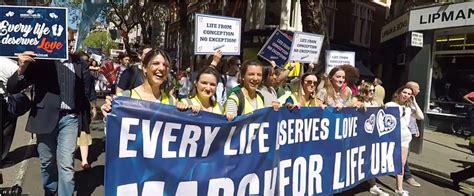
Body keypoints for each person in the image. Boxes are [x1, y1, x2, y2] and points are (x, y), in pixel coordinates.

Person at [7, 28, 91, 196]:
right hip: (44, 119)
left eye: (70, 41)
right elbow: (13, 87)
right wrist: (21, 68)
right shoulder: (41, 62)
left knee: (66, 166)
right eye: (64, 40)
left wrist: (87, 118)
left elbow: (85, 94)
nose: (68, 44)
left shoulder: (79, 63)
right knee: (47, 163)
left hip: (70, 119)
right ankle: (50, 192)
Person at [101, 48, 176, 116]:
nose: (162, 68)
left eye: (165, 65)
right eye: (156, 63)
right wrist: (109, 115)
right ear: (144, 68)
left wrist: (185, 109)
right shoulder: (124, 98)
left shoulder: (171, 102)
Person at [385, 85, 424, 196]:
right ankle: (372, 183)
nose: (406, 95)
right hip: (391, 137)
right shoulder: (390, 105)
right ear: (399, 92)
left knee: (401, 163)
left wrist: (414, 102)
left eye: (408, 94)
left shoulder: (409, 108)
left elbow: (421, 117)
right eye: (404, 92)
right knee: (384, 160)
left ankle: (399, 188)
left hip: (404, 138)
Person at [352, 82, 389, 196]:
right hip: (358, 136)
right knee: (355, 160)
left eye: (374, 91)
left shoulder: (374, 102)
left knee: (371, 160)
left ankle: (373, 185)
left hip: (371, 136)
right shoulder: (356, 100)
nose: (373, 93)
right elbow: (350, 104)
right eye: (370, 91)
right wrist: (358, 105)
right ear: (364, 91)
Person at [404, 81, 423, 187]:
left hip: (409, 131)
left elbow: (414, 117)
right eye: (418, 88)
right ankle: (408, 176)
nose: (419, 90)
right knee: (405, 155)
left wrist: (416, 129)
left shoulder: (413, 100)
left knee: (405, 155)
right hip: (403, 131)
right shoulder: (405, 99)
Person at [1, 57, 20, 161]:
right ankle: (2, 157)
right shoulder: (7, 63)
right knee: (7, 130)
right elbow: (20, 77)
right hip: (5, 102)